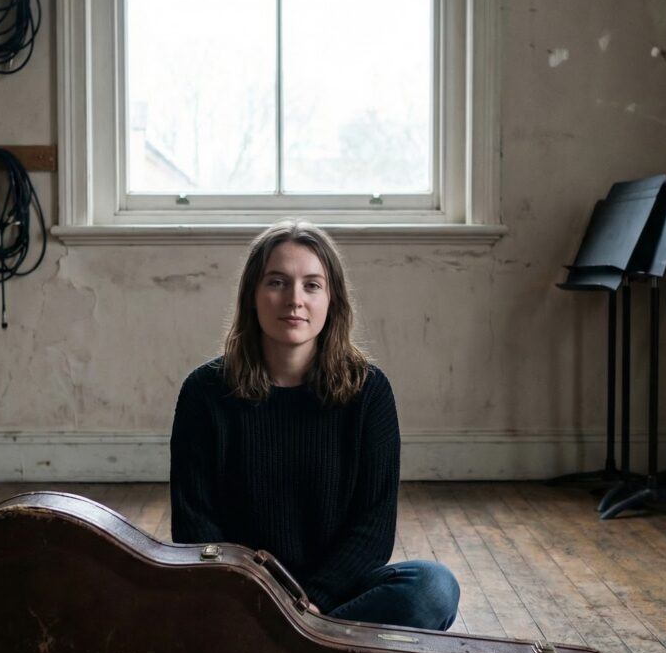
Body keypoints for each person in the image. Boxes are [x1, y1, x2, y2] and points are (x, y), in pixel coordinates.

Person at [169, 218, 459, 631]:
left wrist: (310, 607)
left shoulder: (369, 392)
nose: (294, 299)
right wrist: (258, 601)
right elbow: (197, 529)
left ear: (332, 300)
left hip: (335, 598)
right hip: (239, 599)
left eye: (311, 284)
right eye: (276, 282)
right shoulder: (204, 393)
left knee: (433, 588)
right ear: (252, 295)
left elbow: (372, 531)